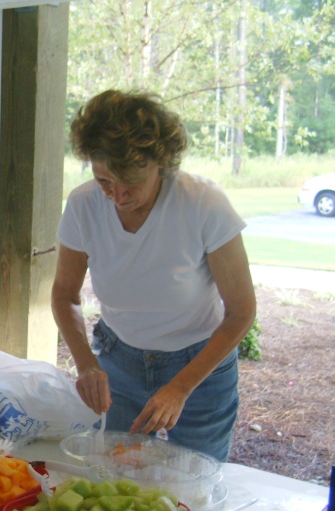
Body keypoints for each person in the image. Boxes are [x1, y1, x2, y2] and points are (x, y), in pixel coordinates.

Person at [51, 90, 256, 462]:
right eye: (104, 181)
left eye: (130, 183)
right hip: (119, 360)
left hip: (200, 365)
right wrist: (86, 364)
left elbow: (241, 311)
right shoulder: (82, 205)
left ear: (160, 163)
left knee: (196, 484)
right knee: (114, 477)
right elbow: (65, 295)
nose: (118, 196)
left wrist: (180, 387)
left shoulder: (203, 204)